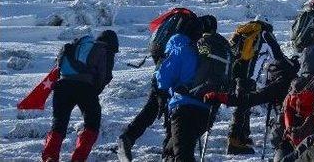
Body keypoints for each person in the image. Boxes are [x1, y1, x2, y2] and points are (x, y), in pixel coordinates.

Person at [117, 10, 212, 161]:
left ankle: (129, 137)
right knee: (163, 108)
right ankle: (161, 151)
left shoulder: (182, 33)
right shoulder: (186, 40)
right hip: (169, 78)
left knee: (155, 106)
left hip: (165, 71)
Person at [42, 30, 119, 162]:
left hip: (62, 87)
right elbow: (104, 76)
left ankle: (50, 157)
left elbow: (58, 67)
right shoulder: (105, 50)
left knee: (58, 124)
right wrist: (93, 92)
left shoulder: (75, 47)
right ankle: (78, 158)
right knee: (91, 125)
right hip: (85, 88)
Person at [226, 19, 288, 154]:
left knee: (243, 104)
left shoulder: (244, 32)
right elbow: (276, 56)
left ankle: (243, 136)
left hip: (234, 73)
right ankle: (234, 141)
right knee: (242, 105)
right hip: (248, 76)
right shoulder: (264, 34)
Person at [155, 18, 208, 161]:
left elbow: (164, 75)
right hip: (204, 108)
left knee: (181, 156)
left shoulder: (179, 46)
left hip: (183, 108)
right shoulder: (203, 49)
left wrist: (160, 91)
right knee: (174, 151)